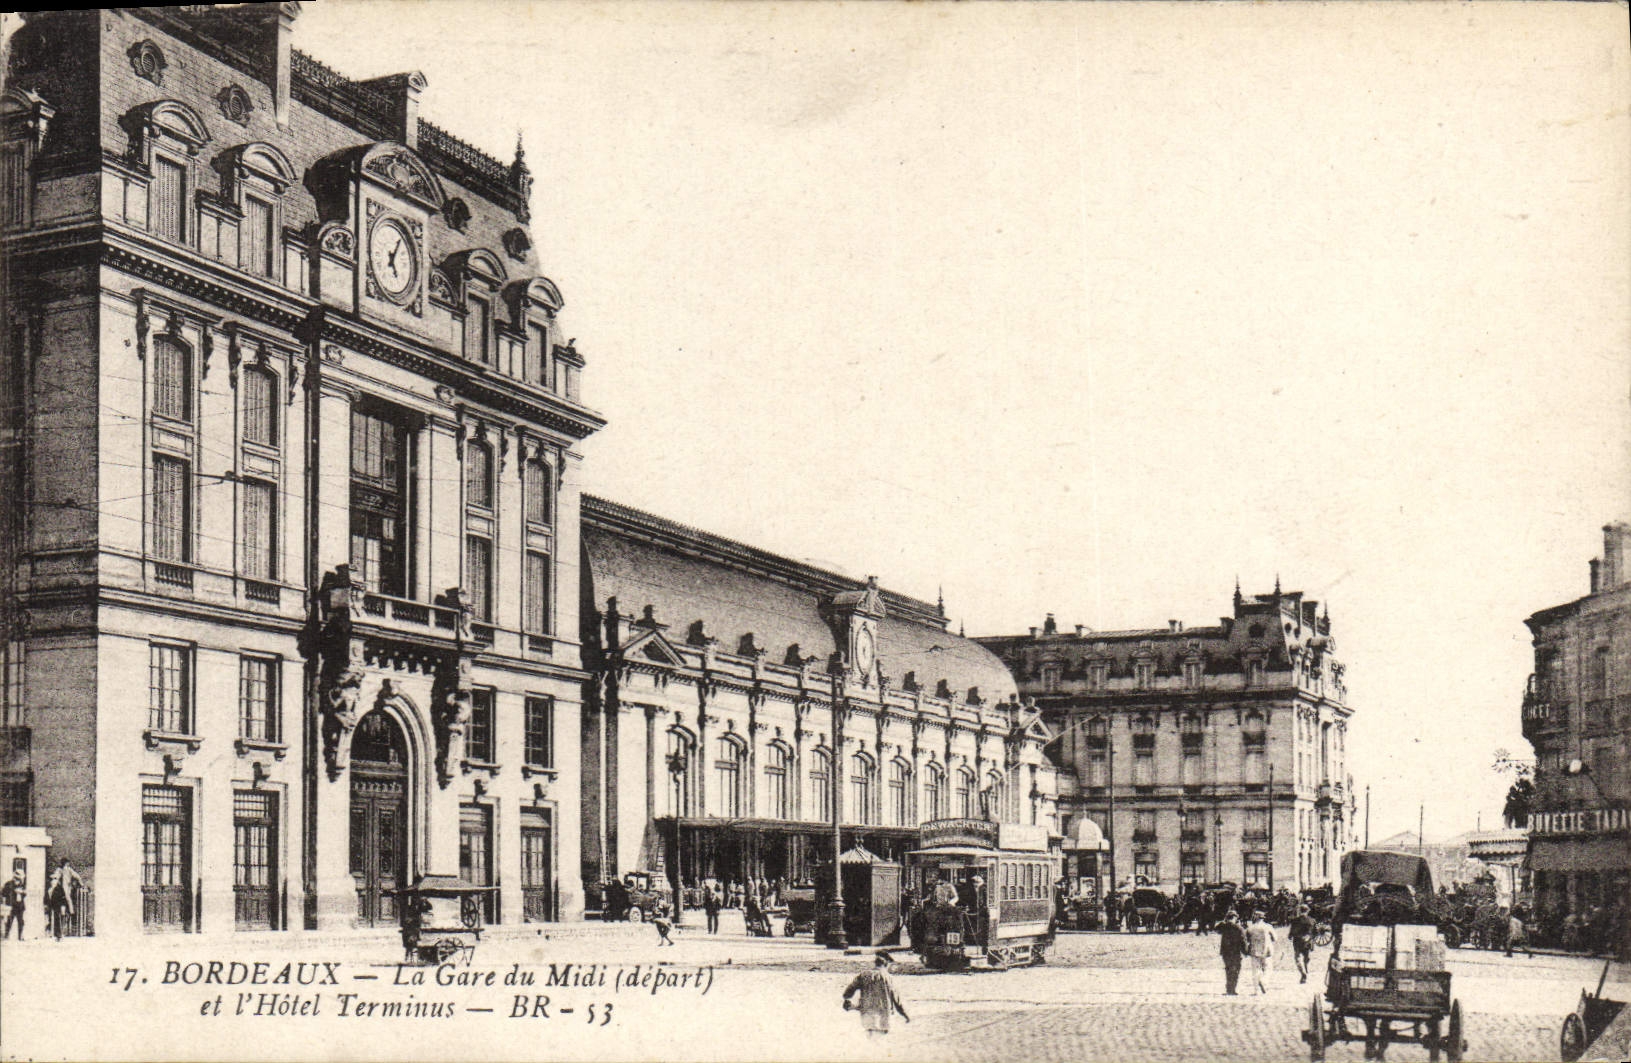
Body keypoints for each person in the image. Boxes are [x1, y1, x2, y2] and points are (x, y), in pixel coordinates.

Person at [843, 952, 910, 1036]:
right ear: (886, 964)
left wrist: (847, 1001)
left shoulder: (864, 975)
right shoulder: (889, 978)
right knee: (881, 1041)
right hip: (884, 1017)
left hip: (867, 1015)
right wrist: (905, 1015)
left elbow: (848, 992)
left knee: (870, 1039)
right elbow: (896, 1000)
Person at [46, 859, 83, 941]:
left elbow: (76, 876)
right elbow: (56, 877)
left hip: (63, 894)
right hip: (60, 895)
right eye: (66, 864)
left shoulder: (67, 870)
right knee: (60, 912)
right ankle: (59, 932)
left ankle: (61, 931)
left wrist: (81, 884)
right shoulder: (61, 871)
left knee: (62, 912)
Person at [1245, 909, 1276, 994]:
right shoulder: (1268, 926)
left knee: (1255, 970)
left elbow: (1247, 938)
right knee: (1268, 968)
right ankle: (1264, 981)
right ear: (1263, 918)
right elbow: (1275, 938)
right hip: (1266, 950)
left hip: (1254, 950)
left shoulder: (1250, 928)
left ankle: (1256, 990)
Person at [1218, 910, 1246, 995]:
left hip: (1225, 952)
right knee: (1236, 970)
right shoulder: (1238, 928)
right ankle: (1232, 989)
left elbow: (1216, 928)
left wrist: (1224, 920)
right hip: (1235, 952)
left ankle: (1228, 989)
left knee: (1228, 969)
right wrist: (1245, 951)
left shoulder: (1224, 926)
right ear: (1235, 917)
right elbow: (1243, 941)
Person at [1289, 904, 1315, 983]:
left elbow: (1291, 933)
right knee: (1306, 957)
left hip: (1297, 942)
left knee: (1298, 958)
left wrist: (1291, 936)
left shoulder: (1295, 920)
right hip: (1308, 942)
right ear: (1307, 911)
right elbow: (1316, 932)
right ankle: (1306, 970)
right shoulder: (1312, 920)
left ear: (1300, 911)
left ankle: (1303, 973)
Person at [2, 868, 26, 941]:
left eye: (19, 879)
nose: (18, 880)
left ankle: (20, 936)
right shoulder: (8, 884)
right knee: (9, 921)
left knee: (21, 922)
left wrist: (22, 893)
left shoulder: (22, 885)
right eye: (17, 878)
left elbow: (24, 895)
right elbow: (3, 894)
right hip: (11, 906)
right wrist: (5, 904)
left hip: (20, 906)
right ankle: (6, 935)